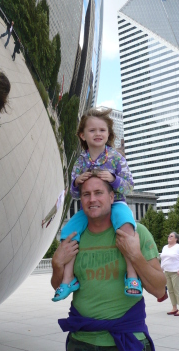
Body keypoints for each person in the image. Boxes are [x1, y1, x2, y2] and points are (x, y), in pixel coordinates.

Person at [52, 176, 166, 351]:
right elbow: (58, 285)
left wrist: (134, 256)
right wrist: (56, 264)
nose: (92, 199)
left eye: (99, 193)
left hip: (126, 345)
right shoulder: (73, 237)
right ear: (80, 199)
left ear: (112, 197)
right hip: (82, 345)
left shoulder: (136, 233)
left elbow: (159, 289)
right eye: (86, 194)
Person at [53, 108, 139, 302]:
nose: (98, 134)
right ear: (83, 135)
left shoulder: (116, 157)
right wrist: (77, 182)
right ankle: (68, 280)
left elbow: (130, 187)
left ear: (108, 134)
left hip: (116, 204)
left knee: (126, 227)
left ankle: (132, 276)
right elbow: (73, 192)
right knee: (68, 232)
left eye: (102, 130)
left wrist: (114, 179)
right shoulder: (80, 161)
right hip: (89, 209)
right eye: (92, 130)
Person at [161, 232, 179, 316]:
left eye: (171, 236)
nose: (169, 237)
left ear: (176, 239)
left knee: (178, 290)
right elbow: (163, 259)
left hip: (176, 272)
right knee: (171, 290)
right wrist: (161, 269)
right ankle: (174, 308)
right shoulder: (165, 247)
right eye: (168, 236)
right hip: (167, 272)